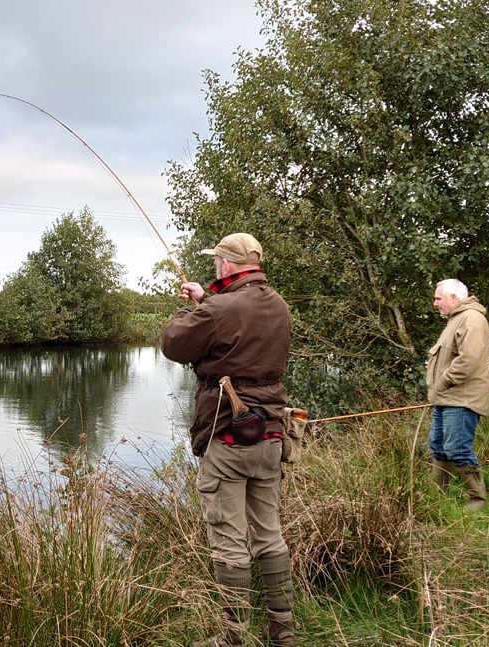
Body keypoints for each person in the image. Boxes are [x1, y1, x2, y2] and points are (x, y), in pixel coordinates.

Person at [160, 233, 295, 647]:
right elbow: (238, 331)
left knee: (230, 544)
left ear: (226, 264)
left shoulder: (219, 307)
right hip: (272, 432)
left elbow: (172, 344)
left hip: (229, 437)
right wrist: (206, 301)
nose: (215, 266)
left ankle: (232, 639)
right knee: (270, 535)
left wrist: (193, 307)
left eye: (217, 261)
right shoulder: (279, 304)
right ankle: (283, 632)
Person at [426, 278, 489, 510]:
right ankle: (437, 498)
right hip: (446, 398)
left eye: (438, 298)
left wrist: (442, 382)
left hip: (462, 399)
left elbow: (468, 359)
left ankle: (478, 500)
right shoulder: (456, 319)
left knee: (458, 448)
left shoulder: (472, 319)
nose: (435, 303)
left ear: (454, 298)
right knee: (439, 446)